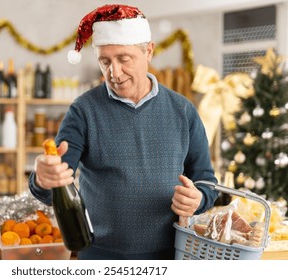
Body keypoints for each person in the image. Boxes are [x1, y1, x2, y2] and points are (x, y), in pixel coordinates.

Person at [29, 4, 218, 260]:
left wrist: (199, 199)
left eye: (123, 59)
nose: (113, 73)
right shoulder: (83, 111)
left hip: (170, 256)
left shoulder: (183, 111)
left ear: (148, 51)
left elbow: (206, 181)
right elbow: (55, 186)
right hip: (99, 256)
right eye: (104, 61)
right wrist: (43, 178)